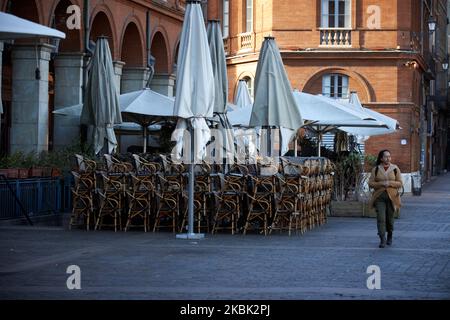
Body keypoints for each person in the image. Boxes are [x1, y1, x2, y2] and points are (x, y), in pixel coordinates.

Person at [368, 150, 403, 248]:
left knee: (390, 219)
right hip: (379, 197)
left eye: (389, 156)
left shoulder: (395, 168)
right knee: (381, 218)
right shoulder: (376, 169)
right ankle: (382, 239)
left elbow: (400, 183)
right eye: (386, 157)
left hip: (392, 197)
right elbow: (370, 183)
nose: (388, 159)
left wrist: (390, 183)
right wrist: (381, 184)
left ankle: (390, 235)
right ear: (381, 158)